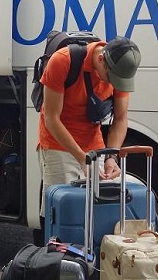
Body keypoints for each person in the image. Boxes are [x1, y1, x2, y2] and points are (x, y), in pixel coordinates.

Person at [37, 37, 140, 212]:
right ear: (101, 59)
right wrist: (80, 157)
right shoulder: (62, 61)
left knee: (100, 208)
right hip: (57, 144)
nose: (112, 83)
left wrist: (111, 157)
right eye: (110, 77)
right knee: (62, 210)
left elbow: (121, 119)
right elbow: (52, 119)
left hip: (94, 146)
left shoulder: (119, 71)